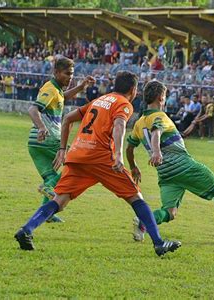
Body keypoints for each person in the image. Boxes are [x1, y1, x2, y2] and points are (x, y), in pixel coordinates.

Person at [15, 72, 181, 257]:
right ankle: (158, 243)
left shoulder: (100, 99)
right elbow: (119, 125)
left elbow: (68, 118)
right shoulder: (123, 103)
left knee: (59, 200)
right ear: (133, 90)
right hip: (101, 157)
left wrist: (63, 149)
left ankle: (27, 230)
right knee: (136, 197)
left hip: (78, 154)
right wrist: (118, 155)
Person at [126, 80, 214, 245]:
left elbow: (130, 148)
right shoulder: (159, 116)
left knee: (169, 212)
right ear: (159, 97)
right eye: (164, 95)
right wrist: (156, 151)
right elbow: (156, 131)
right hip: (184, 167)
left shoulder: (139, 123)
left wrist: (133, 167)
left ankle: (143, 223)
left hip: (166, 174)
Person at [27, 57, 95, 223]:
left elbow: (62, 97)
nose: (70, 77)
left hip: (35, 143)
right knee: (77, 163)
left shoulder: (56, 90)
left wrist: (80, 87)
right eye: (67, 74)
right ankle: (48, 187)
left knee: (52, 177)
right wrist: (42, 127)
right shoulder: (50, 89)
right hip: (49, 138)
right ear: (56, 72)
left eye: (72, 74)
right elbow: (33, 109)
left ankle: (47, 214)